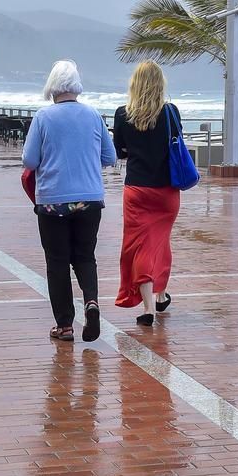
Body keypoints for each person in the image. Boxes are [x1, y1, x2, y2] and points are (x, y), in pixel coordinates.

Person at [21, 60, 116, 342]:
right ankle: (91, 302)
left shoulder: (43, 117)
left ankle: (64, 326)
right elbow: (110, 157)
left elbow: (29, 159)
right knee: (85, 257)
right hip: (90, 200)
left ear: (52, 88)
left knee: (58, 262)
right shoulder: (94, 115)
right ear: (76, 87)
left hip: (53, 202)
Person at [112, 60, 184, 327]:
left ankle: (149, 308)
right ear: (160, 84)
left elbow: (119, 151)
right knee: (160, 242)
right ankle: (160, 295)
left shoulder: (122, 115)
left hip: (137, 190)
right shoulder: (170, 112)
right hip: (166, 191)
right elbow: (176, 143)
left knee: (140, 245)